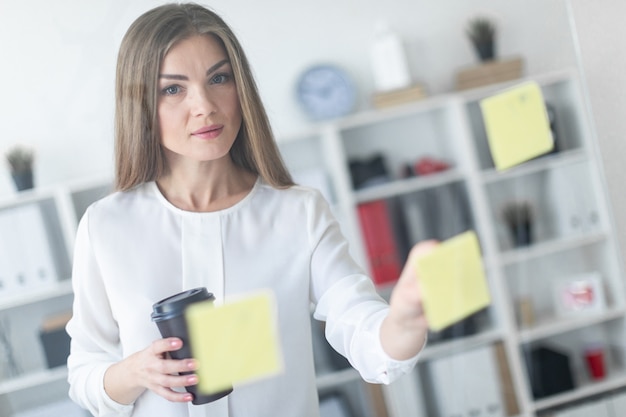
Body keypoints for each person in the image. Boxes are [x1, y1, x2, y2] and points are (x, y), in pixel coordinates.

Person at [66, 3, 434, 417]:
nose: (204, 105)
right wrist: (135, 373)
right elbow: (84, 373)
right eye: (173, 89)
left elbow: (362, 329)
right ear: (140, 104)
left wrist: (403, 321)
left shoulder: (299, 213)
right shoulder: (106, 226)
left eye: (219, 78)